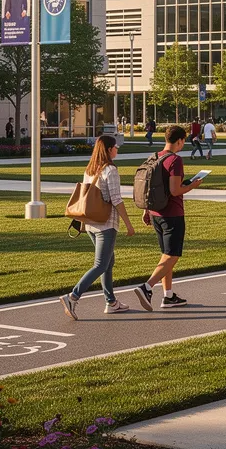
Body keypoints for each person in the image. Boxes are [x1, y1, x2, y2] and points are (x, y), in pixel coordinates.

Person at [60, 136, 138, 319]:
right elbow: (116, 200)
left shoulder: (90, 169)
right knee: (101, 264)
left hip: (90, 223)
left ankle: (111, 302)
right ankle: (72, 297)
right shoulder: (110, 170)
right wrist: (128, 224)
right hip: (105, 224)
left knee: (108, 262)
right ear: (110, 149)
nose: (117, 150)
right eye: (116, 147)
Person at [131, 126, 205, 310]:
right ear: (179, 140)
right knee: (173, 255)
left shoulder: (155, 157)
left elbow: (153, 187)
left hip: (156, 213)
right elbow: (175, 190)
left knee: (166, 255)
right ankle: (147, 287)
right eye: (183, 141)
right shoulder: (175, 160)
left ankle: (168, 296)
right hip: (172, 214)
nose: (183, 144)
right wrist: (193, 185)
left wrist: (147, 210)